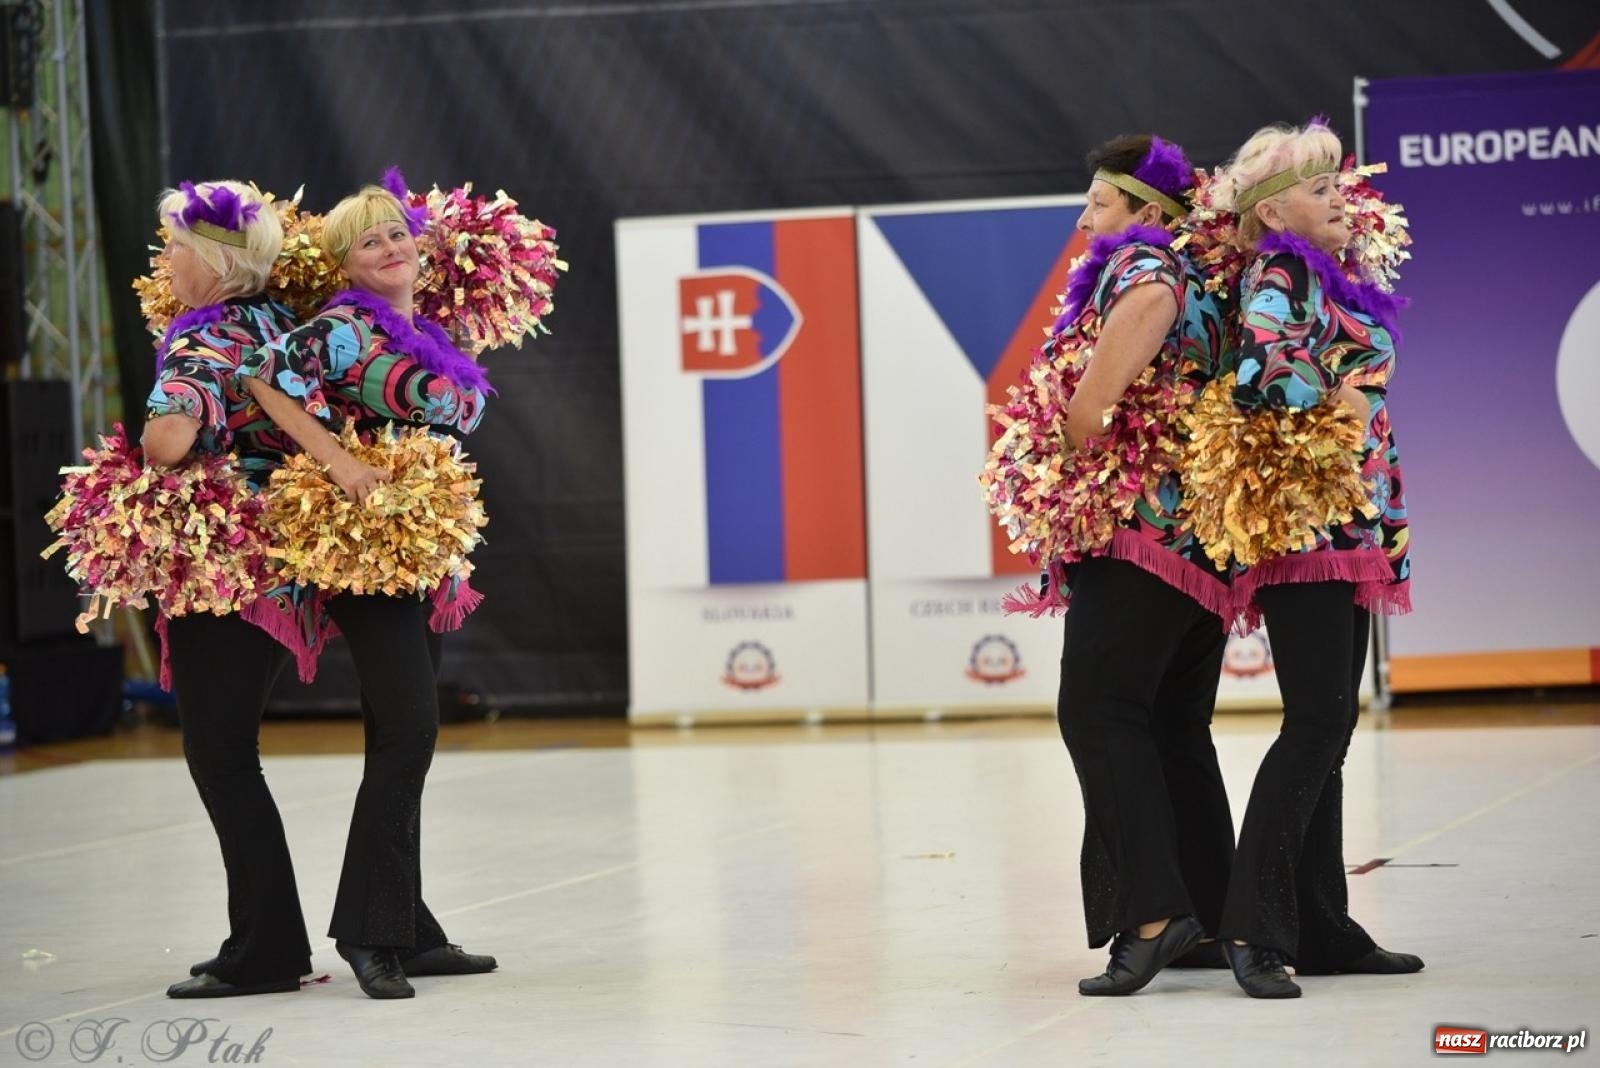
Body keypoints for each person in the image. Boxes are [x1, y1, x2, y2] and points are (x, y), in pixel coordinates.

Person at [243, 179, 495, 1000]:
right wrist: (340, 462)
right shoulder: (343, 328)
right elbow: (264, 380)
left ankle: (409, 928)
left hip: (418, 548)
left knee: (400, 732)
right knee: (411, 730)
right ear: (346, 265)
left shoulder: (425, 330)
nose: (390, 248)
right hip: (364, 549)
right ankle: (367, 931)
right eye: (368, 241)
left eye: (397, 235)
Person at [142, 179, 385, 998]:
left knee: (219, 751)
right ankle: (259, 934)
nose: (168, 260)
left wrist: (151, 432)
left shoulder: (203, 339)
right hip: (287, 568)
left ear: (212, 263)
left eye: (176, 245)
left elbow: (171, 440)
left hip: (228, 572)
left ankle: (269, 948)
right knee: (229, 751)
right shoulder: (280, 322)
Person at [1209, 119, 1420, 999]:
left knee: (1329, 727)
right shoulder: (1277, 271)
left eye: (1339, 186)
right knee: (1319, 722)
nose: (1342, 199)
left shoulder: (1318, 271)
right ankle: (1254, 927)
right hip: (1308, 525)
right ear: (1273, 211)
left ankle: (1322, 924)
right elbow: (1265, 370)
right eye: (1322, 189)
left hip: (1345, 519)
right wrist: (1340, 389)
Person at [1032, 135, 1236, 996]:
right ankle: (1215, 917)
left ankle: (1155, 918)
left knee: (1098, 711)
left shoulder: (1145, 269)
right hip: (1206, 544)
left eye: (1098, 205)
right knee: (1173, 726)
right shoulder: (1206, 284)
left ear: (1146, 215)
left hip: (1143, 535)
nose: (1085, 221)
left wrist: (1060, 441)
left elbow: (1105, 385)